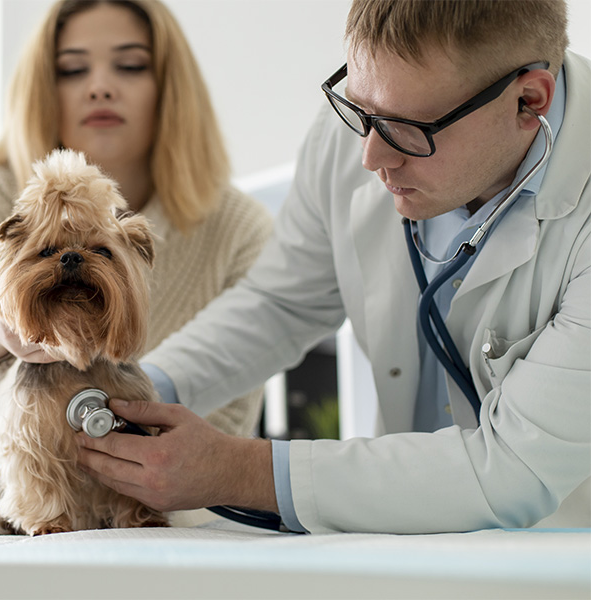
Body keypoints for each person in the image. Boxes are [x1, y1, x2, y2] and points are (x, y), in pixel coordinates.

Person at [76, 0, 591, 534]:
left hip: (559, 557)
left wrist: (233, 471)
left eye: (407, 128)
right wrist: (135, 389)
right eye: (361, 109)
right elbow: (281, 303)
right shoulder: (366, 126)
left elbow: (511, 467)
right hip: (395, 543)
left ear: (528, 101)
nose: (370, 156)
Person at [0, 0, 272, 517]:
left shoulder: (238, 226)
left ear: (168, 88)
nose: (100, 86)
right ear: (44, 89)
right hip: (4, 518)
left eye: (129, 65)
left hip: (163, 520)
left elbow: (231, 404)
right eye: (72, 69)